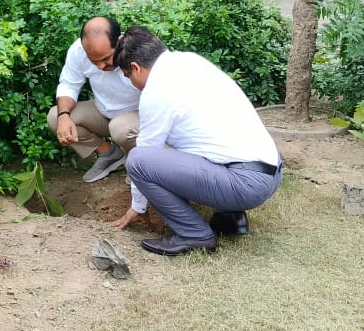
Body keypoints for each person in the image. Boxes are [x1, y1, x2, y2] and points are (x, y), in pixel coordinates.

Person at [112, 27, 283, 255]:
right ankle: (230, 217)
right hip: (271, 171)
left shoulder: (156, 91)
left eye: (127, 76)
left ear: (135, 67)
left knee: (138, 161)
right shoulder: (190, 62)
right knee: (190, 141)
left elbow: (146, 152)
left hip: (245, 183)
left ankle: (194, 234)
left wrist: (137, 206)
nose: (131, 83)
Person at [47, 17, 140, 184]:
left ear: (120, 41)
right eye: (93, 61)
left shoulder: (140, 51)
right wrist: (64, 116)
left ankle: (138, 164)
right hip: (104, 113)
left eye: (106, 59)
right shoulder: (78, 51)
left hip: (138, 118)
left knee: (120, 127)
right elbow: (69, 84)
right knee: (56, 116)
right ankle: (109, 154)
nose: (101, 67)